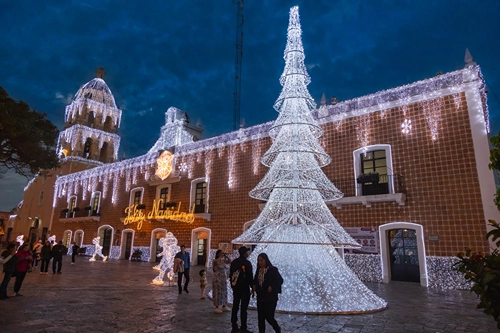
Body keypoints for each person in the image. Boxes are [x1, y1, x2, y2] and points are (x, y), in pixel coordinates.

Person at [253, 253, 283, 333]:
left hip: (270, 297)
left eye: (262, 260)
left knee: (269, 316)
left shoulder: (272, 270)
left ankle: (277, 328)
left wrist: (272, 286)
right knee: (261, 317)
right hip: (261, 296)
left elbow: (280, 280)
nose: (260, 262)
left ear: (266, 260)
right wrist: (254, 285)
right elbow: (256, 280)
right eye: (259, 260)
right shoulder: (258, 270)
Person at [230, 246, 254, 333]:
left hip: (236, 288)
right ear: (245, 253)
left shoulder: (234, 262)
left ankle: (234, 325)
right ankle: (243, 326)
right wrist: (253, 287)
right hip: (244, 288)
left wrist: (233, 286)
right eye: (247, 252)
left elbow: (231, 275)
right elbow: (249, 277)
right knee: (244, 308)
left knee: (235, 306)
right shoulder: (247, 263)